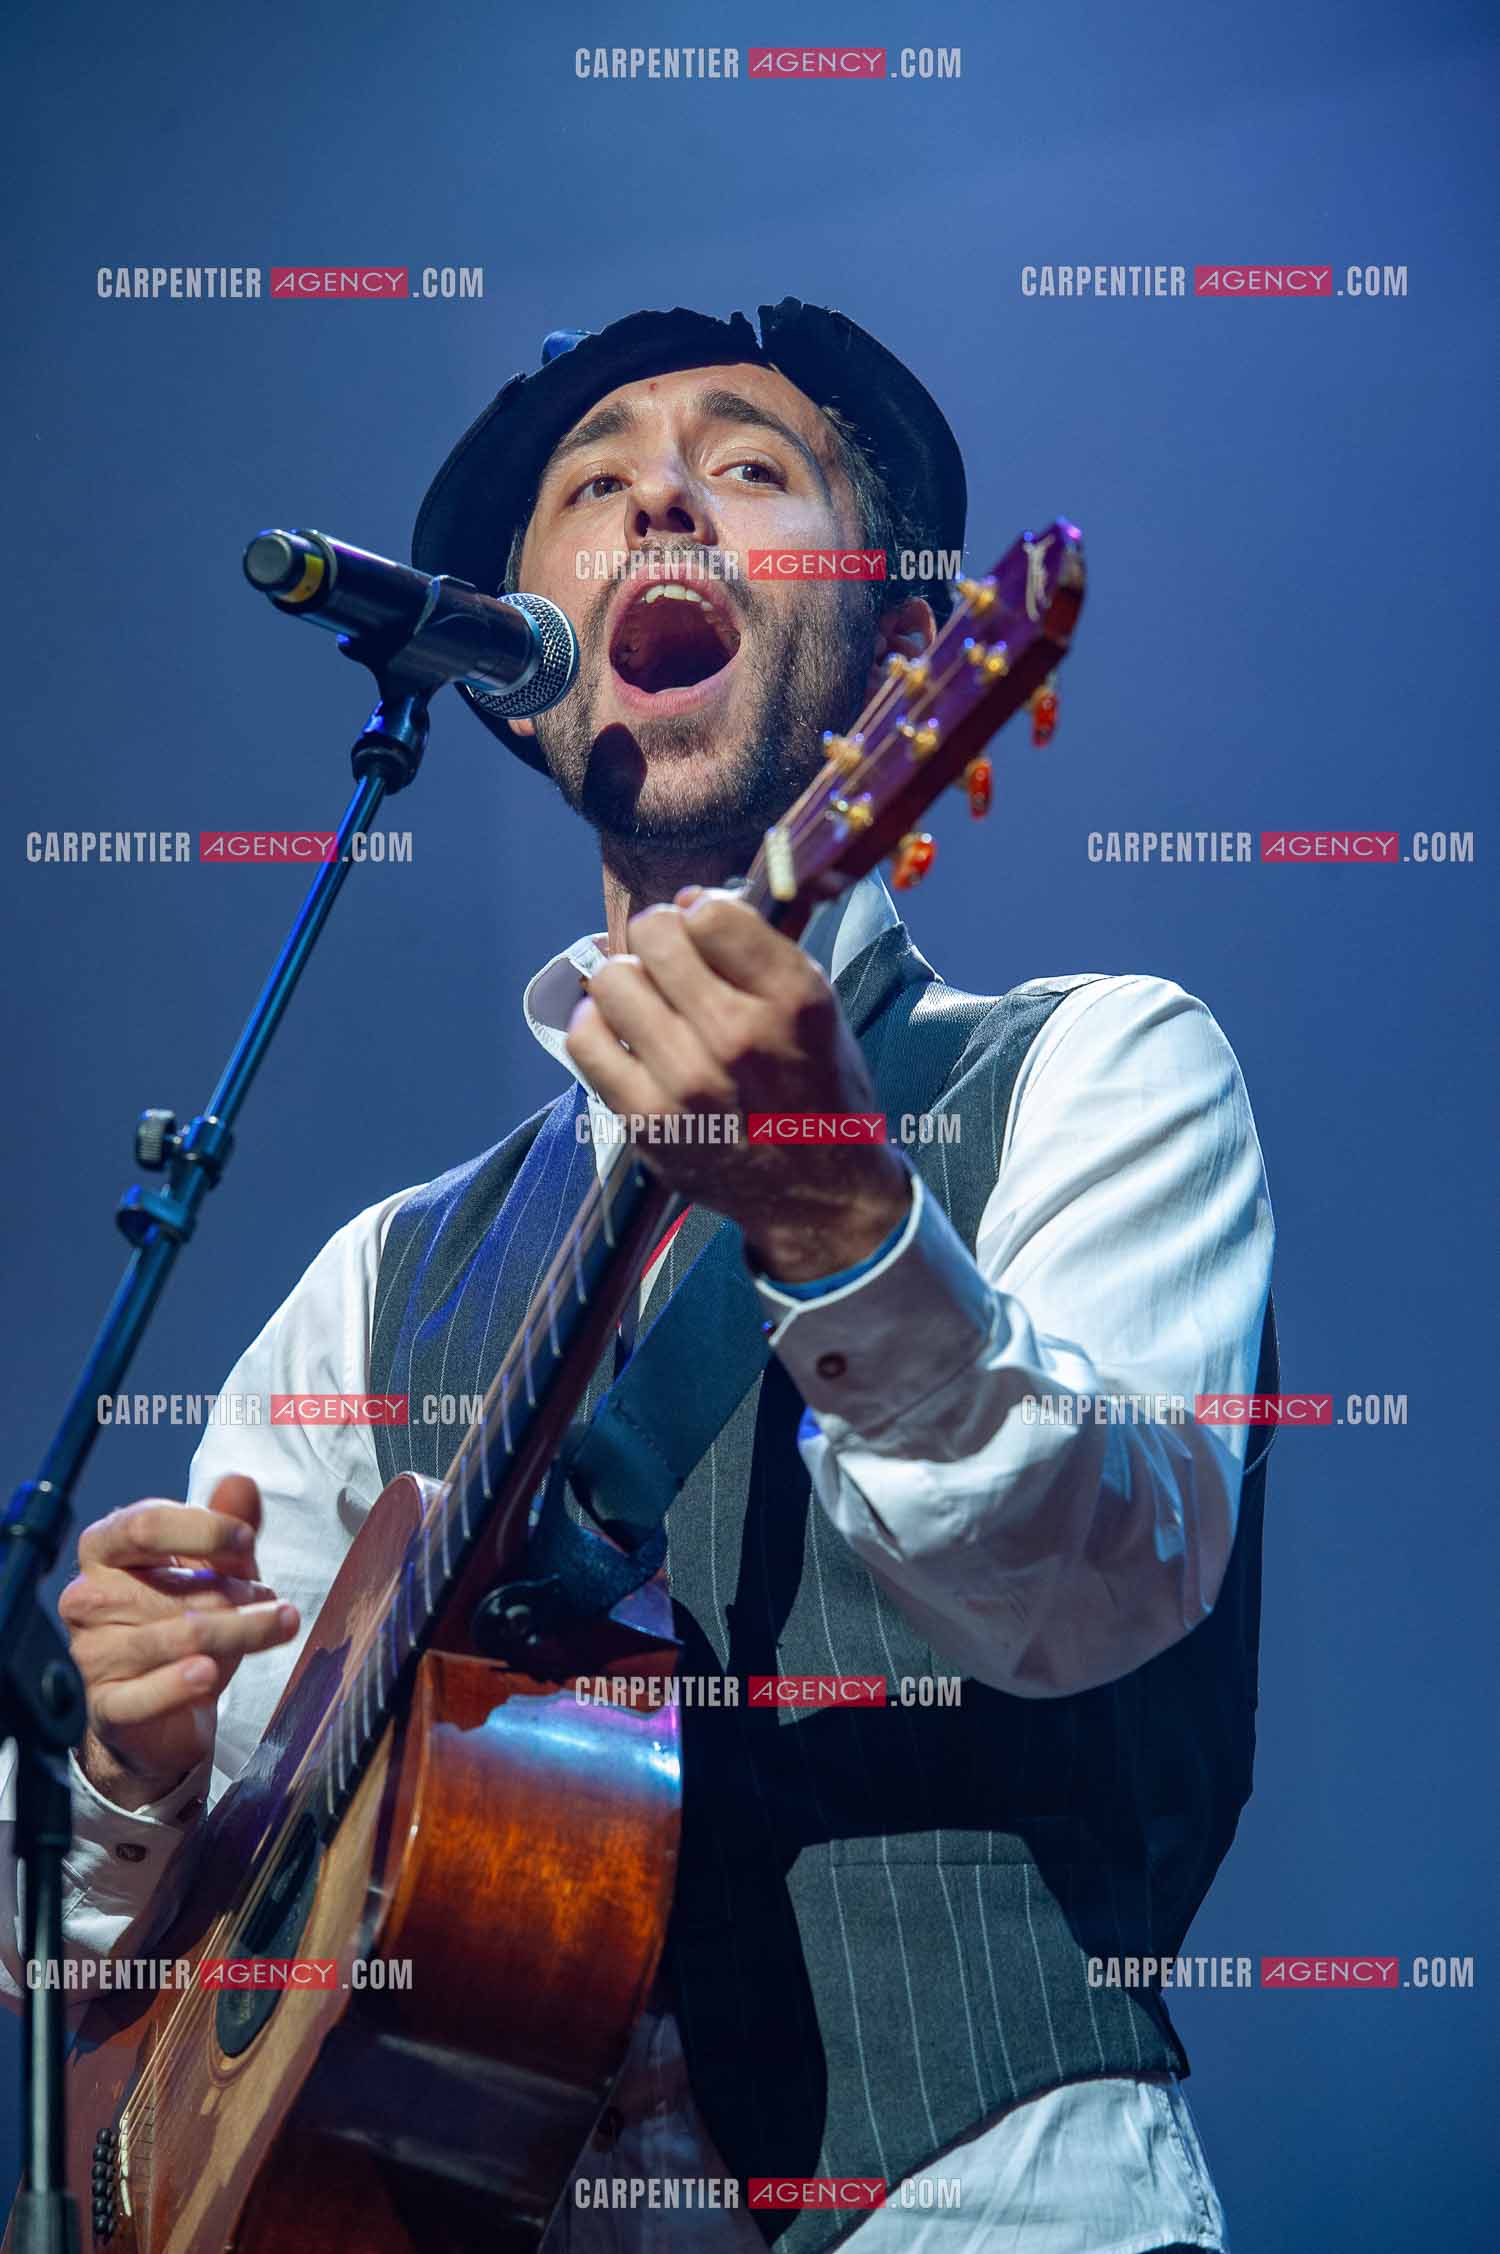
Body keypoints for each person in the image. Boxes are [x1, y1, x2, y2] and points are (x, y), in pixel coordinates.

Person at [0, 300, 1274, 2254]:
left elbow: (1105, 1585)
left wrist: (851, 1233)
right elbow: (96, 1967)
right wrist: (124, 1760)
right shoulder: (384, 1278)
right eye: (587, 485)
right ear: (519, 677)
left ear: (915, 661)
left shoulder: (1091, 1064)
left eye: (750, 465)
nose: (657, 491)